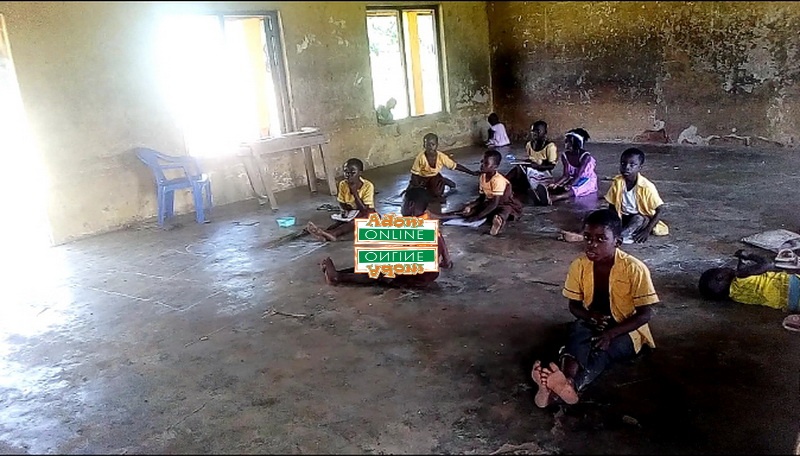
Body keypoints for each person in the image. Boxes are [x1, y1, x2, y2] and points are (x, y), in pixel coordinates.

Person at [531, 209, 658, 407]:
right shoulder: (579, 265)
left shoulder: (635, 269)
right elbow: (573, 305)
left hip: (627, 329)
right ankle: (566, 382)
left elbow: (645, 314)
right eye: (587, 237)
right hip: (593, 320)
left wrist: (611, 334)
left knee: (602, 352)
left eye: (600, 239)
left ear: (617, 241)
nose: (592, 245)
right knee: (576, 335)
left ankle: (566, 387)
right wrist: (589, 315)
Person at [319, 187, 453, 288]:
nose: (401, 207)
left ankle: (338, 277)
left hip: (420, 276)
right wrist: (446, 261)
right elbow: (440, 238)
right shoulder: (426, 218)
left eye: (403, 203)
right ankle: (339, 273)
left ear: (410, 205)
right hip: (429, 271)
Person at [698, 250, 800, 331]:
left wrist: (742, 262)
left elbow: (746, 273)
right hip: (793, 285)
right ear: (720, 277)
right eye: (722, 268)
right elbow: (768, 264)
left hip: (792, 304)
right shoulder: (740, 277)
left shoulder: (736, 297)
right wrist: (748, 255)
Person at [445, 149, 522, 236]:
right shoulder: (482, 177)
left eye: (486, 163)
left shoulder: (498, 180)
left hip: (504, 203)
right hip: (490, 202)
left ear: (495, 166)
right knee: (469, 211)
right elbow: (481, 198)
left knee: (504, 211)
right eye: (482, 162)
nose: (482, 165)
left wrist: (478, 217)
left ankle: (498, 222)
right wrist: (470, 206)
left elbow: (495, 204)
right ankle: (442, 216)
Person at [604, 148, 669, 244]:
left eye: (632, 165)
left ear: (640, 168)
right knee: (600, 217)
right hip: (623, 216)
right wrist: (612, 221)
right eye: (623, 163)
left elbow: (660, 209)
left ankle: (621, 236)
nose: (627, 167)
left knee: (638, 219)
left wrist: (646, 231)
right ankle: (618, 233)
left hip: (641, 219)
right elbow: (612, 206)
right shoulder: (617, 183)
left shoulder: (647, 187)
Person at [306, 158, 375, 242]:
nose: (348, 175)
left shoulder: (368, 186)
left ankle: (332, 234)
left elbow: (364, 209)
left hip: (367, 212)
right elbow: (342, 202)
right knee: (341, 222)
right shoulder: (343, 184)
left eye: (352, 173)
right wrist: (346, 210)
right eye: (346, 172)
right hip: (352, 211)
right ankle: (326, 233)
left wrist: (354, 193)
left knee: (357, 221)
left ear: (360, 173)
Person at [531, 128, 597, 206]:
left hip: (586, 180)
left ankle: (552, 199)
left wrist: (570, 185)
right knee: (557, 187)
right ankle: (541, 195)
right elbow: (566, 175)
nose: (565, 143)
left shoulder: (585, 157)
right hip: (574, 178)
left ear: (575, 143)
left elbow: (579, 175)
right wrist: (556, 184)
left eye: (568, 141)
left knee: (573, 190)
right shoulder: (565, 156)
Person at [408, 133, 479, 199]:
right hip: (422, 177)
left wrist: (471, 172)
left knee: (437, 193)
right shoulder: (420, 157)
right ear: (424, 145)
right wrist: (417, 188)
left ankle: (443, 180)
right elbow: (414, 174)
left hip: (434, 176)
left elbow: (455, 166)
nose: (430, 147)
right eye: (427, 145)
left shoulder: (441, 156)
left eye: (433, 144)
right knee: (416, 194)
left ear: (437, 145)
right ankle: (436, 183)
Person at [504, 120, 559, 195]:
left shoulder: (550, 146)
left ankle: (506, 184)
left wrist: (537, 166)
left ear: (545, 132)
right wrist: (524, 162)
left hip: (543, 172)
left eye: (538, 131)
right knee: (518, 168)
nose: (535, 133)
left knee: (520, 173)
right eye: (533, 131)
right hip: (531, 169)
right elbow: (531, 159)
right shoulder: (529, 145)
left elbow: (551, 166)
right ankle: (504, 183)